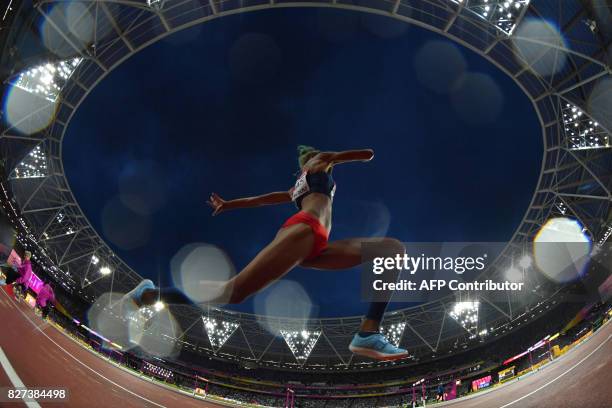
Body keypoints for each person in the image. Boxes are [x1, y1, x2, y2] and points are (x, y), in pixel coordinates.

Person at [122, 146, 409, 360]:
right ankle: (150, 293)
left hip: (316, 244)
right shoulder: (319, 162)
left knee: (392, 250)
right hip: (304, 231)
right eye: (311, 156)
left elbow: (260, 200)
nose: (316, 157)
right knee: (232, 293)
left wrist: (229, 204)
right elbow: (367, 154)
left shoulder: (295, 188)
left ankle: (368, 332)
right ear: (308, 162)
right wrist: (336, 156)